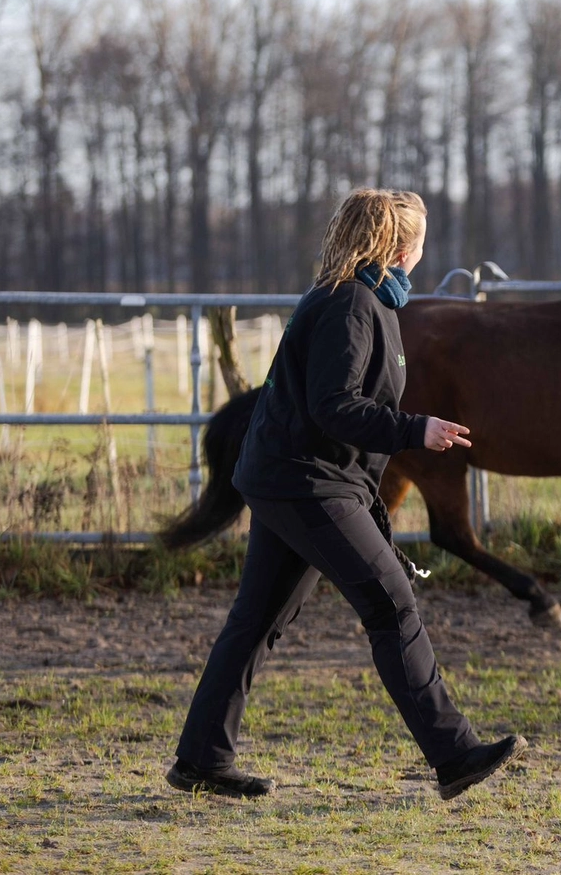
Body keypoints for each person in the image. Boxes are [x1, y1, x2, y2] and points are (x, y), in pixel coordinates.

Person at [167, 188, 525, 800]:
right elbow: (335, 408)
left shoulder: (358, 299)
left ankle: (201, 758)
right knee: (391, 603)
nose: (422, 251)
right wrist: (419, 429)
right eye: (420, 239)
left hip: (298, 479)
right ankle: (455, 753)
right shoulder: (352, 306)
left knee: (257, 621)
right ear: (398, 245)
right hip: (307, 484)